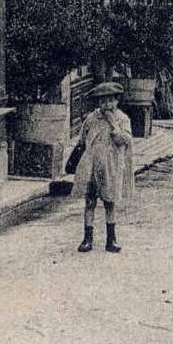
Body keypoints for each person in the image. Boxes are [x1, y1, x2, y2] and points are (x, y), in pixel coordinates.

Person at [69, 80, 134, 253]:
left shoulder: (122, 119)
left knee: (109, 202)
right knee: (89, 201)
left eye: (110, 100)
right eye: (103, 101)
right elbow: (82, 140)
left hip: (111, 166)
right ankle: (87, 239)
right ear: (98, 102)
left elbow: (124, 141)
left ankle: (111, 239)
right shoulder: (91, 119)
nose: (107, 104)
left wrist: (114, 125)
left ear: (116, 101)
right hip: (92, 165)